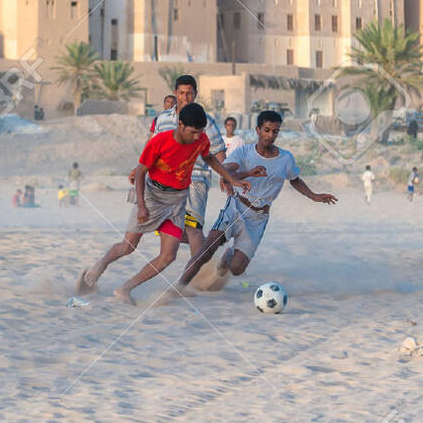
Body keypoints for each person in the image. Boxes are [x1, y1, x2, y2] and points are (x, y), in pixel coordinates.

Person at [80, 103, 251, 305]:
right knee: (128, 247)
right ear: (181, 125)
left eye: (200, 132)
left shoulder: (201, 139)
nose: (198, 137)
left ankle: (125, 288)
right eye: (193, 132)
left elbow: (210, 158)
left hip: (177, 201)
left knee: (168, 256)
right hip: (153, 197)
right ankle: (100, 265)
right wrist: (142, 206)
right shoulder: (160, 142)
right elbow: (141, 173)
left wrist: (232, 179)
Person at [179, 110, 335, 289]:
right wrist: (248, 173)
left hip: (258, 218)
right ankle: (178, 288)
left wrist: (314, 196)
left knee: (237, 268)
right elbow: (226, 172)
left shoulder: (285, 158)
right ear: (258, 130)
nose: (270, 135)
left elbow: (295, 179)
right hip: (236, 207)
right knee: (207, 250)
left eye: (275, 131)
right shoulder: (244, 152)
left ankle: (227, 257)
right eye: (267, 130)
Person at [138, 75, 226, 264]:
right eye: (181, 93)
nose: (185, 98)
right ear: (175, 93)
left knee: (192, 227)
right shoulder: (162, 119)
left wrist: (225, 175)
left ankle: (201, 274)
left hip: (195, 179)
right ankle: (205, 253)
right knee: (168, 229)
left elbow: (218, 150)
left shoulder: (206, 121)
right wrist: (139, 169)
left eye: (189, 94)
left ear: (196, 94)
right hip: (165, 184)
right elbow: (152, 148)